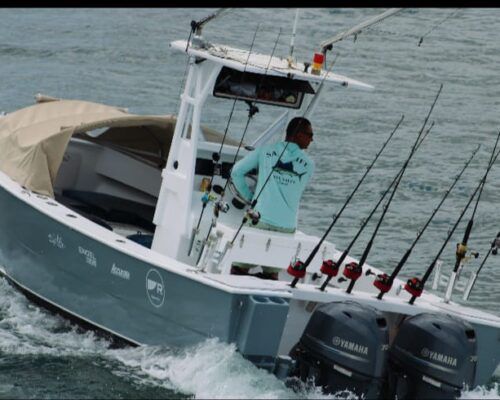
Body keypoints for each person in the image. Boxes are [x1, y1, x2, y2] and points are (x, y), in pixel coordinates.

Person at [229, 117, 315, 280]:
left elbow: (236, 172)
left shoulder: (264, 151)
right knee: (271, 274)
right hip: (286, 227)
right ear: (297, 135)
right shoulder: (309, 165)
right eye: (309, 134)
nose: (312, 139)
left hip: (259, 221)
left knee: (238, 270)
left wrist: (250, 197)